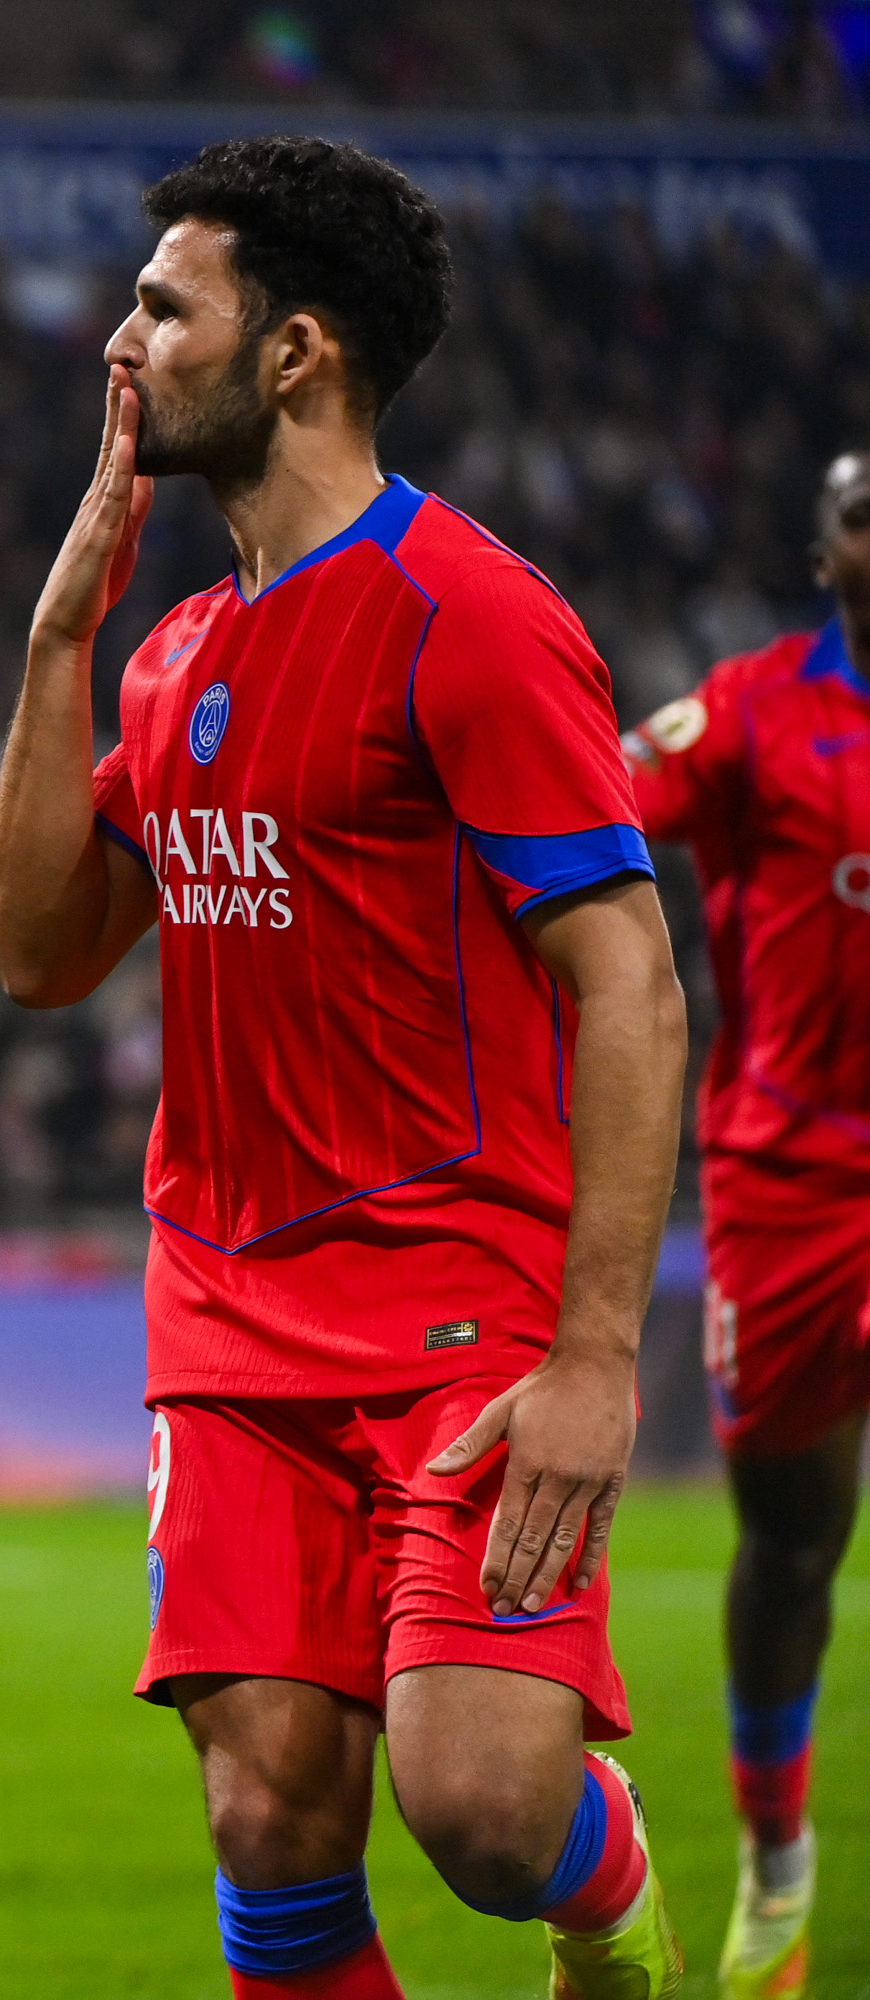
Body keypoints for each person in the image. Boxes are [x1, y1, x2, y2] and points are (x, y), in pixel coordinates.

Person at [0, 138, 690, 2000]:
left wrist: (599, 1359)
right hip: (226, 1324)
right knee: (269, 1818)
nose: (118, 345)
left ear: (293, 354)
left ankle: (607, 1898)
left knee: (478, 1809)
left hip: (465, 1305)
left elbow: (629, 982)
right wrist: (64, 630)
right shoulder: (172, 656)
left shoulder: (473, 613)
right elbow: (40, 952)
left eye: (160, 307)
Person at [622, 447, 870, 2000]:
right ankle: (779, 1854)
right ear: (825, 547)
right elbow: (580, 801)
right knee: (791, 1543)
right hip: (792, 1182)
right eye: (865, 513)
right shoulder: (754, 711)